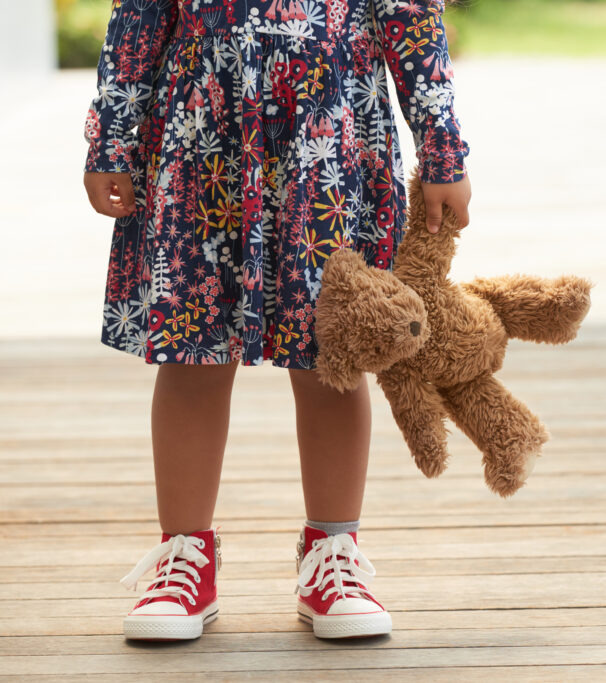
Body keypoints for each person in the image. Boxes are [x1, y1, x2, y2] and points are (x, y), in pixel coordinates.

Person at [82, 0, 471, 641]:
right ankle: (184, 557)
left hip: (330, 141)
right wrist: (112, 137)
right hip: (201, 135)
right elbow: (140, 15)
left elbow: (409, 16)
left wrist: (441, 147)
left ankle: (332, 554)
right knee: (191, 350)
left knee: (330, 354)